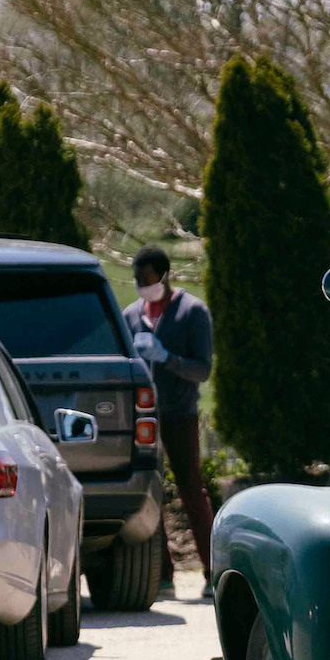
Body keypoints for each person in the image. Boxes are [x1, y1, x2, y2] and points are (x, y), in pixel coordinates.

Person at [124, 245, 215, 598]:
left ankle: (212, 569)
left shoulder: (192, 312)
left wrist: (168, 357)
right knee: (149, 494)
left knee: (191, 490)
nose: (141, 286)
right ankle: (161, 575)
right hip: (144, 416)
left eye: (146, 280)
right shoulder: (131, 315)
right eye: (137, 280)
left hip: (179, 413)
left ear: (164, 276)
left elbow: (202, 369)